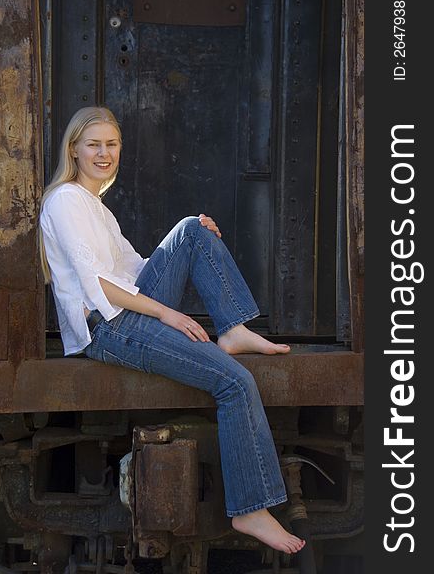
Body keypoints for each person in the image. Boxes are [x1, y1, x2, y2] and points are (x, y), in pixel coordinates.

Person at [39, 106, 305, 555]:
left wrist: (190, 239)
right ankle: (250, 509)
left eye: (112, 144)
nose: (105, 153)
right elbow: (98, 285)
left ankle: (233, 329)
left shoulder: (95, 207)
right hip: (108, 328)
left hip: (123, 313)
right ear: (74, 150)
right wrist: (167, 314)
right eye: (94, 145)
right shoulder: (65, 200)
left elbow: (136, 271)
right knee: (235, 381)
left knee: (190, 230)